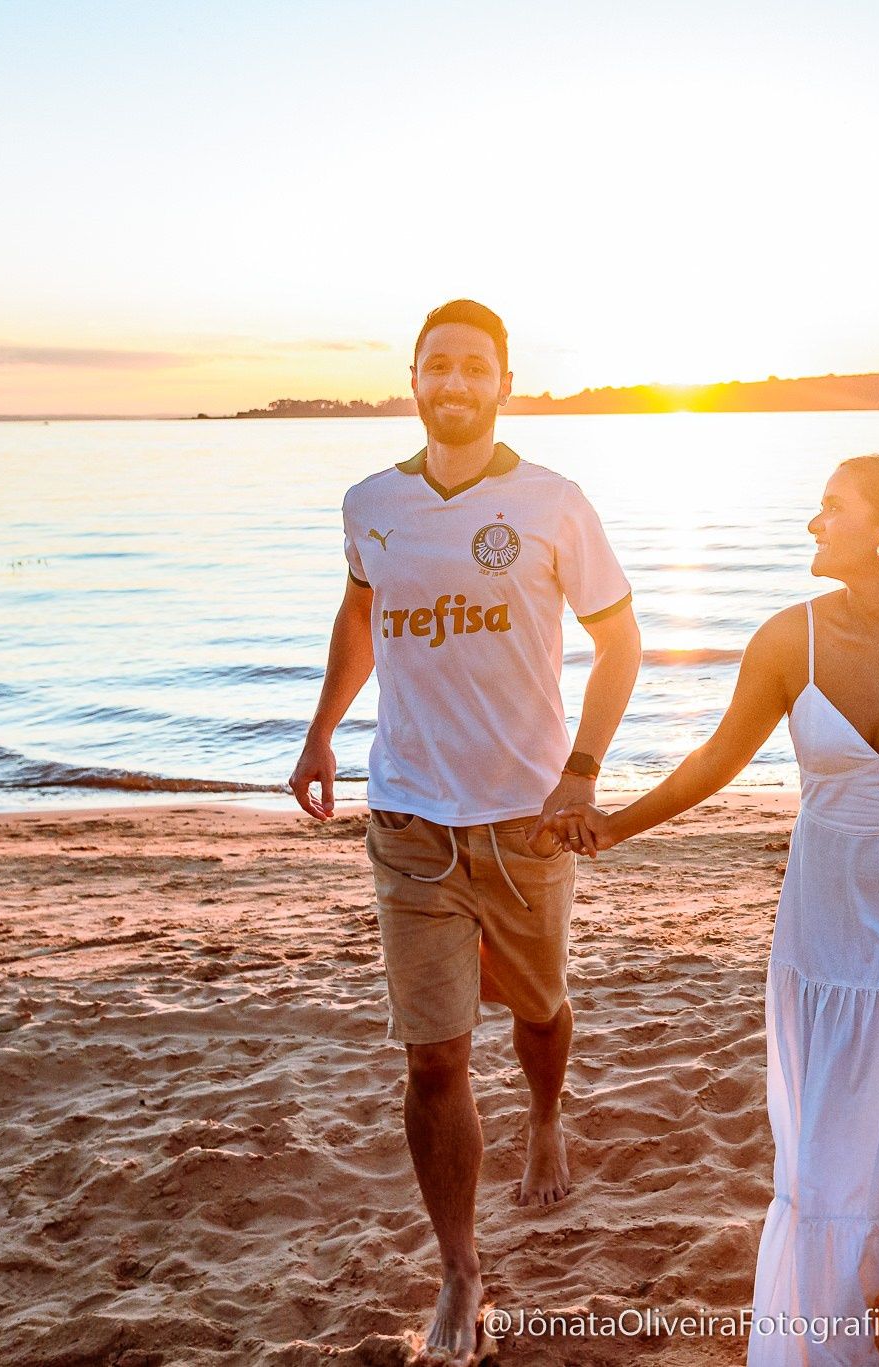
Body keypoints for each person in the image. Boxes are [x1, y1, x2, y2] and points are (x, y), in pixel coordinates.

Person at [553, 454, 879, 1366]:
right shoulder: (788, 639)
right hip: (830, 916)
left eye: (831, 506)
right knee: (833, 1117)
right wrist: (615, 826)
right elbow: (715, 761)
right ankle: (838, 1298)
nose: (811, 523)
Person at [289, 299, 642, 1367]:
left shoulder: (552, 502)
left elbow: (620, 641)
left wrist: (581, 772)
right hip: (407, 820)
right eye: (435, 365)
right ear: (413, 377)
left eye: (472, 367)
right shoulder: (369, 502)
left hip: (525, 821)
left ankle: (544, 1112)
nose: (452, 382)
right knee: (433, 1055)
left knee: (539, 1007)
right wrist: (320, 734)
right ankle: (460, 1267)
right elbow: (361, 614)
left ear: (501, 382)